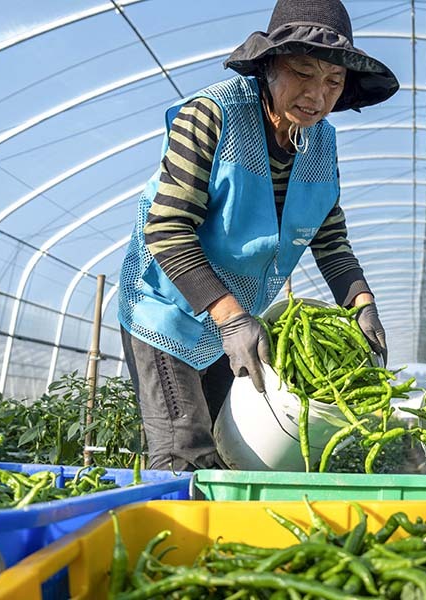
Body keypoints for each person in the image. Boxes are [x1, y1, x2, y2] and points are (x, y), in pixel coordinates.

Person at [117, 0, 398, 471]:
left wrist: (362, 305)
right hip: (167, 310)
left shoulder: (320, 141)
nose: (317, 94)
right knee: (184, 452)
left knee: (231, 450)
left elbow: (329, 239)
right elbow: (166, 229)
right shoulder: (211, 116)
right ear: (268, 66)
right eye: (303, 72)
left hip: (235, 320)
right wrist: (229, 319)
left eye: (333, 81)